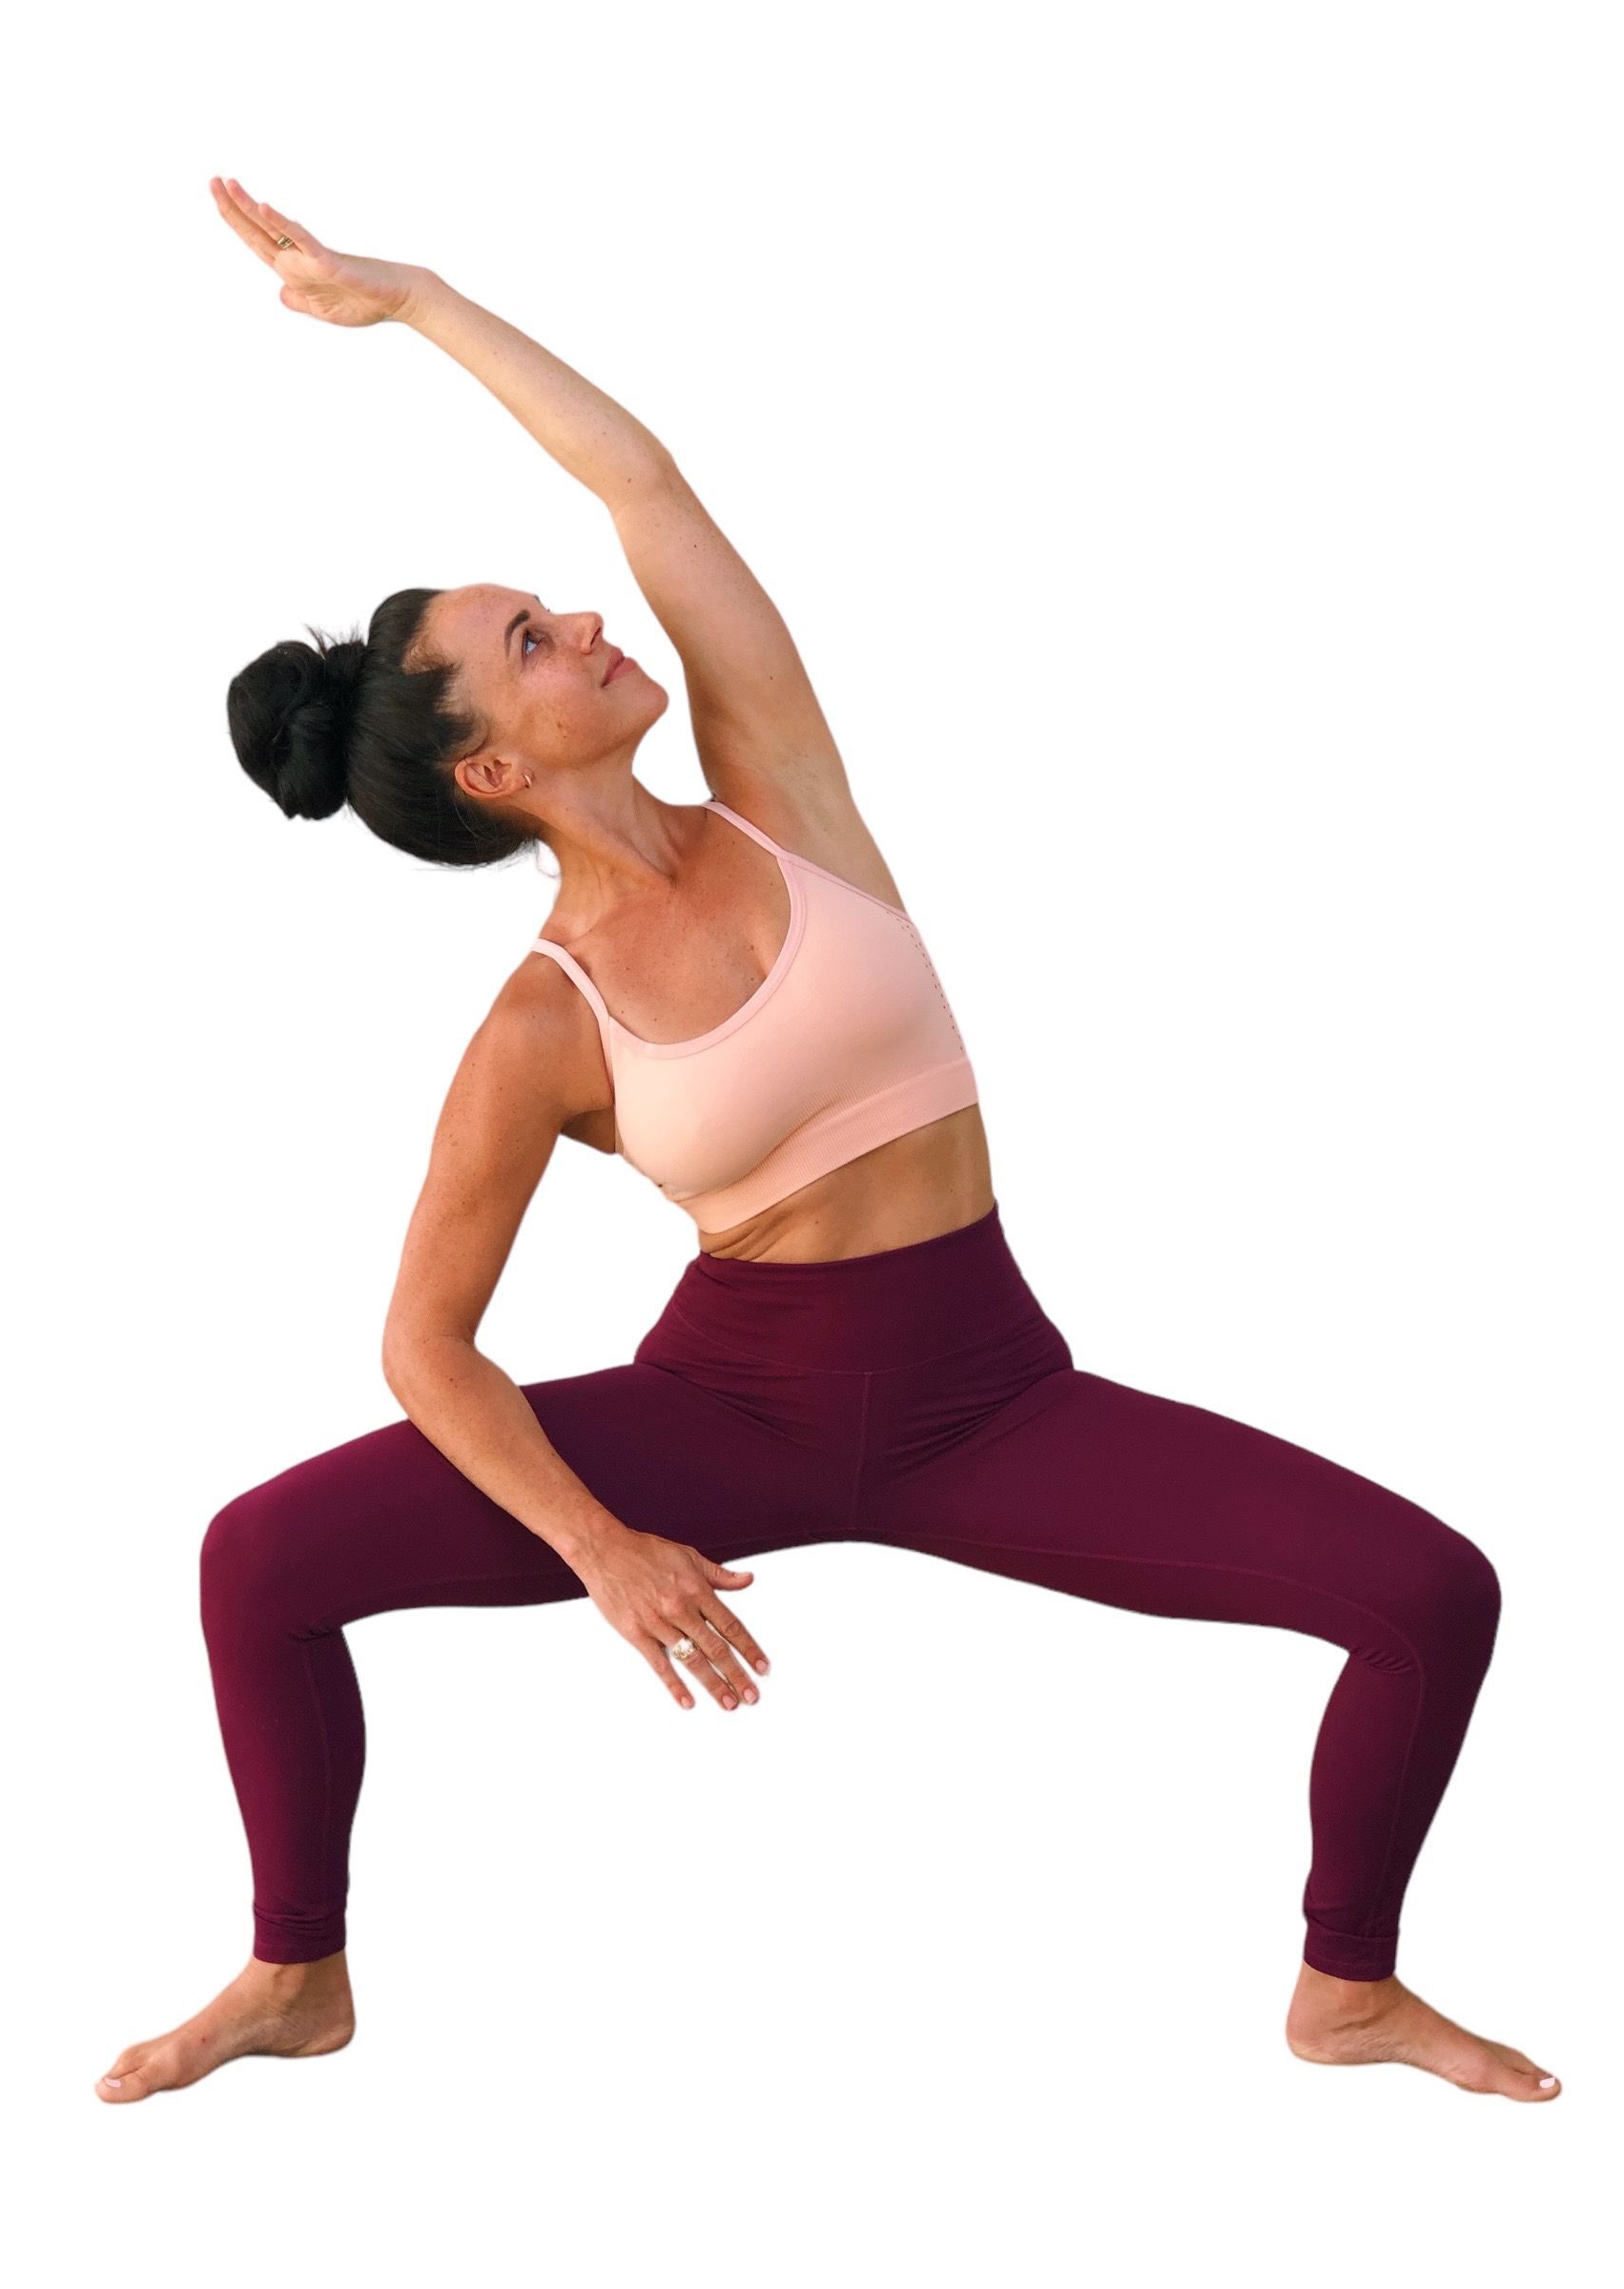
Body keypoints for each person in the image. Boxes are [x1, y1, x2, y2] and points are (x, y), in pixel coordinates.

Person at [94, 179, 1559, 2106]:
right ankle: (297, 1972)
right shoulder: (542, 1028)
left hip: (996, 1402)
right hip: (728, 1417)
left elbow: (649, 489)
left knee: (1431, 1595)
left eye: (552, 605)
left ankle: (1345, 1987)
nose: (585, 618)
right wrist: (602, 1547)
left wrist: (422, 298)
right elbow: (422, 1347)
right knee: (257, 1562)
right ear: (492, 771)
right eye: (530, 639)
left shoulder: (777, 784)